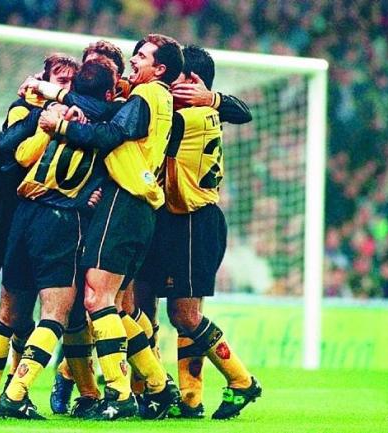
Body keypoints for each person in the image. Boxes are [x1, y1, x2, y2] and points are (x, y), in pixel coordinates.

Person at [39, 33, 184, 420]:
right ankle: (157, 385)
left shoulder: (148, 96)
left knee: (96, 300)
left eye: (143, 56)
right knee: (117, 305)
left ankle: (119, 396)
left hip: (124, 201)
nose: (135, 60)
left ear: (161, 68)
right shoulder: (161, 100)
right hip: (140, 207)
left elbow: (109, 134)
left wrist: (62, 127)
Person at [0, 54, 80, 417]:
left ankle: (11, 391)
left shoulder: (71, 116)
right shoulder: (25, 109)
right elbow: (4, 150)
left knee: (19, 314)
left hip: (28, 219)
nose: (66, 86)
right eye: (60, 78)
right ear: (43, 79)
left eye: (72, 81)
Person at [138, 45, 261, 420]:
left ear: (191, 82)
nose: (162, 85)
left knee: (185, 316)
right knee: (145, 306)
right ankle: (178, 398)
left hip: (193, 220)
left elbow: (148, 126)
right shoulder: (202, 110)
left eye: (170, 79)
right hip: (166, 218)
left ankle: (240, 381)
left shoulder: (194, 118)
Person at [0, 58, 118, 420]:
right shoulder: (109, 122)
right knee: (56, 315)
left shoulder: (51, 113)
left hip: (23, 213)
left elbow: (18, 154)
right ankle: (16, 394)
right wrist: (89, 195)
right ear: (109, 92)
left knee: (9, 313)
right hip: (62, 219)